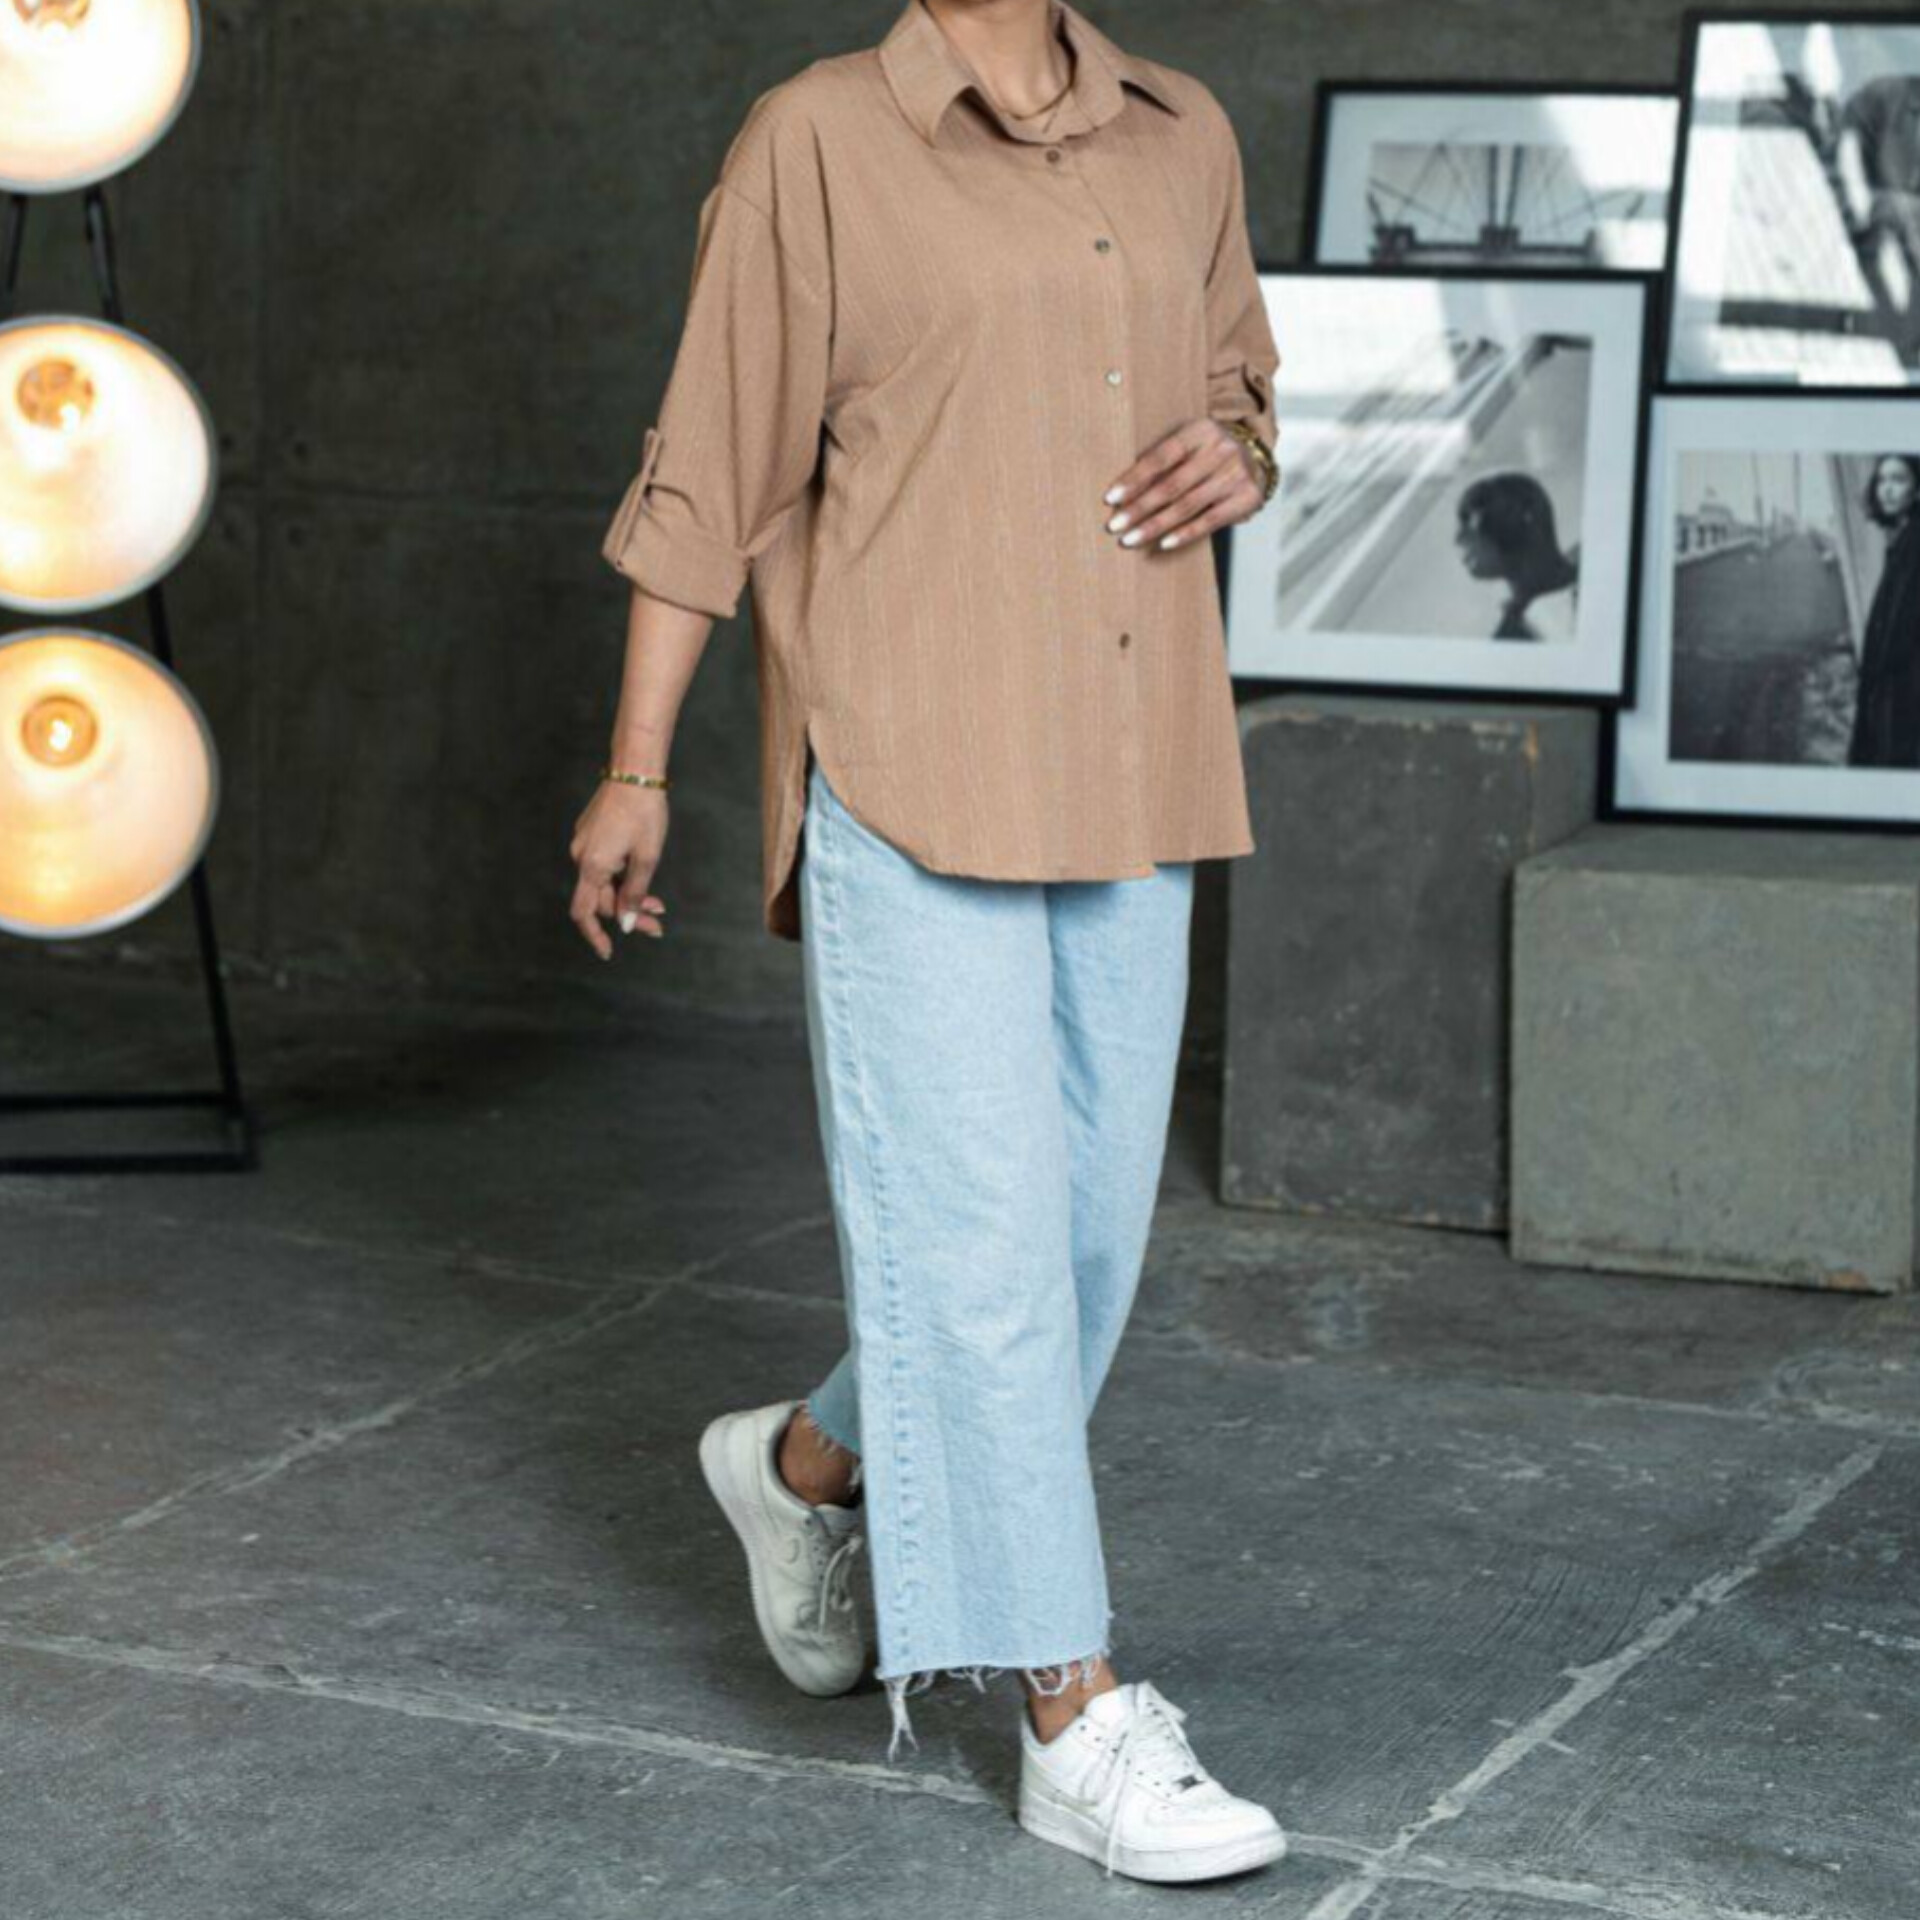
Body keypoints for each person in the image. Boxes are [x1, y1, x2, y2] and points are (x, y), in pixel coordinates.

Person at [567, 0, 1286, 1884]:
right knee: (976, 1254)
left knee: (1082, 1244)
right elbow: (709, 472)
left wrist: (1239, 452)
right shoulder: (815, 138)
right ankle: (1073, 1715)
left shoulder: (1182, 131)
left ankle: (803, 1468)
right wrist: (638, 767)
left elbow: (1241, 384)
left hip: (1133, 756)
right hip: (907, 762)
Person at [1847, 452, 1920, 767]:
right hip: (1893, 687)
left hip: (1905, 690)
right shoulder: (1903, 538)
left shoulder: (1915, 543)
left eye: (1898, 479)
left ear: (1917, 490)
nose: (1887, 489)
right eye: (1882, 480)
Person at [1453, 469, 1580, 643]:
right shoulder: (1507, 641)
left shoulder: (1604, 577)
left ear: (1525, 519)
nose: (1458, 539)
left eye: (1472, 519)